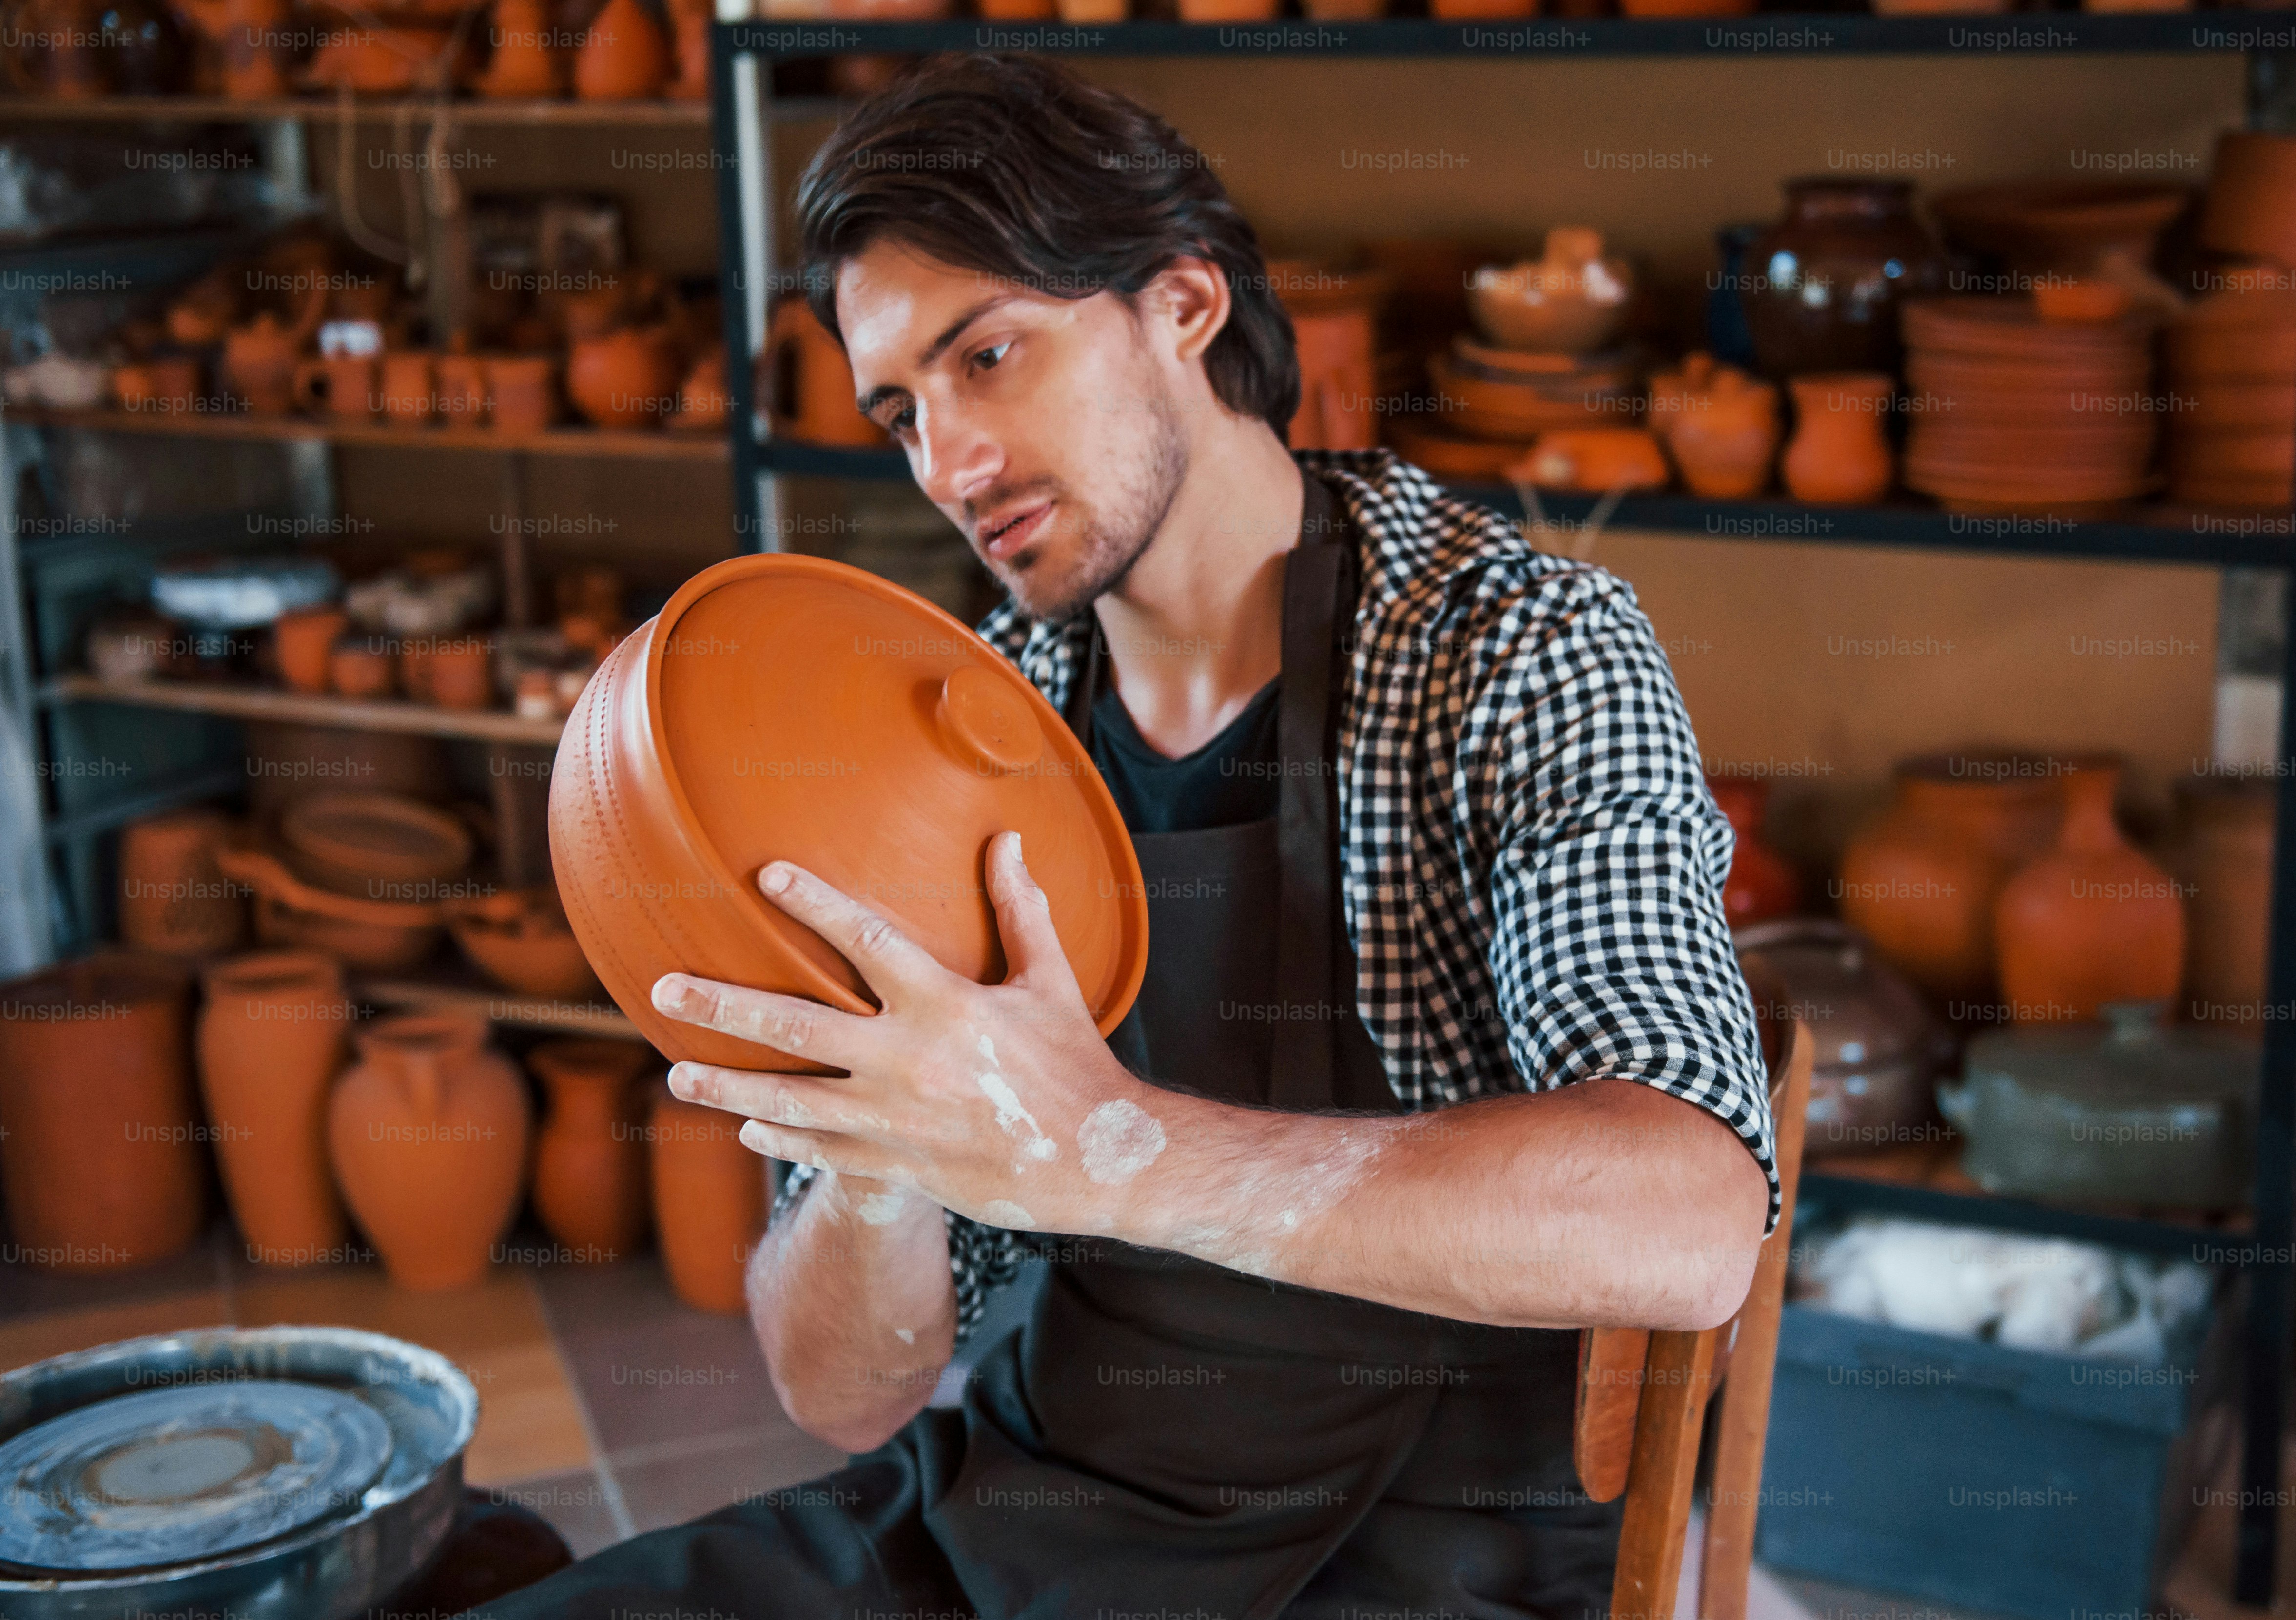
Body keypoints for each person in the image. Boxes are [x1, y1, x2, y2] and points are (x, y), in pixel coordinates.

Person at [474, 51, 1774, 1620]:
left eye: (992, 355)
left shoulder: (1514, 650)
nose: (947, 464)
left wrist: (1106, 1145)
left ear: (1183, 303)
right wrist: (883, 1150)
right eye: (901, 410)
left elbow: (1689, 1212)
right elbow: (840, 1393)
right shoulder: (968, 717)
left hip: (1427, 1549)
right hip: (1048, 1504)